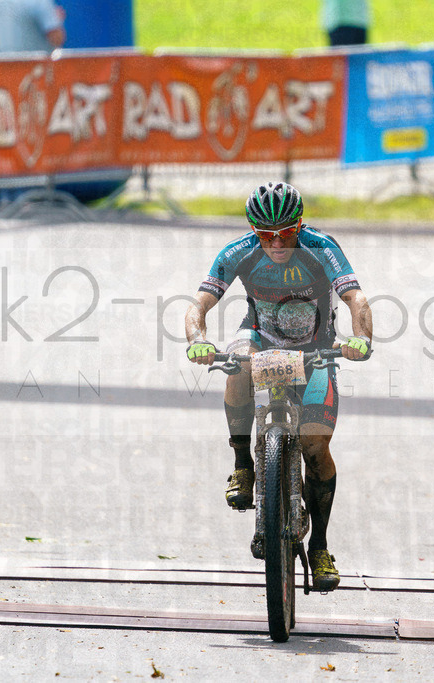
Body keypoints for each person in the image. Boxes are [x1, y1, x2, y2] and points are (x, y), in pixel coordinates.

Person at [185, 182, 373, 592]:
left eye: (286, 232)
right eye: (265, 234)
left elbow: (357, 299)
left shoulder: (321, 247)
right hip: (260, 338)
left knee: (315, 448)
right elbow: (198, 305)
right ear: (253, 230)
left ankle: (320, 546)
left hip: (316, 348)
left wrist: (361, 338)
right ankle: (243, 464)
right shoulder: (237, 252)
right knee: (236, 363)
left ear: (299, 225)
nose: (276, 243)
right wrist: (198, 340)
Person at [0, 0, 65, 53]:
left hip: (4, 68)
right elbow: (56, 38)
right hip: (37, 68)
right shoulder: (40, 2)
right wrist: (56, 19)